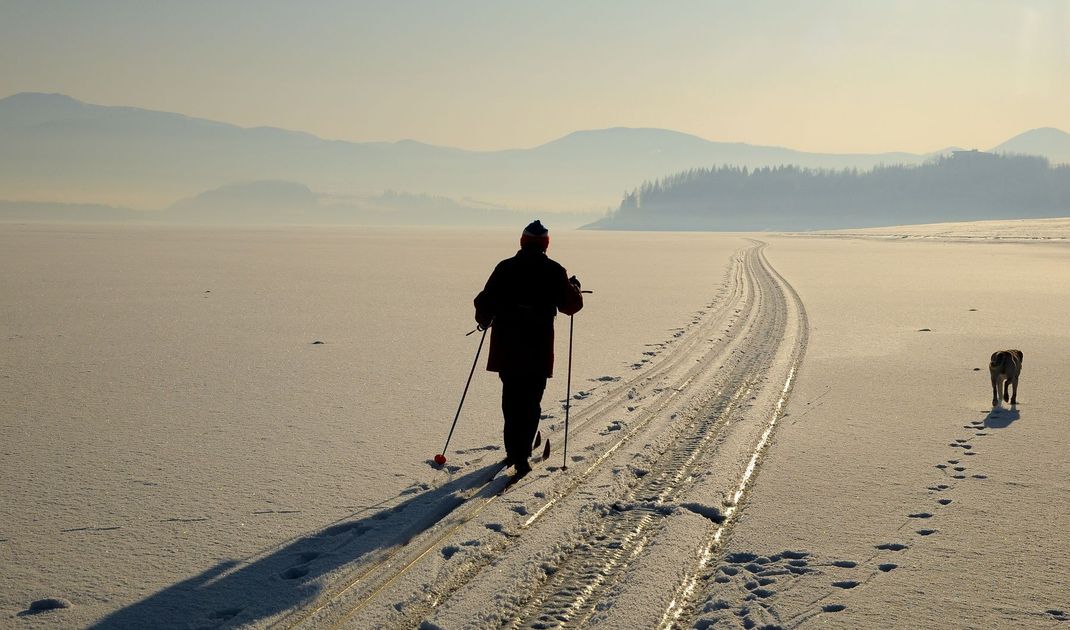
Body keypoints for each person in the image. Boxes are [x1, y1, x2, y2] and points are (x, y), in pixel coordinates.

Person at [474, 220, 583, 476]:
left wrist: (484, 319)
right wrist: (575, 288)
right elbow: (571, 306)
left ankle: (515, 451)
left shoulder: (505, 268)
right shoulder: (554, 271)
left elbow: (483, 301)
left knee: (511, 399)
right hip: (538, 347)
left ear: (522, 241)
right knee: (531, 401)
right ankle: (521, 453)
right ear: (545, 244)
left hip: (507, 347)